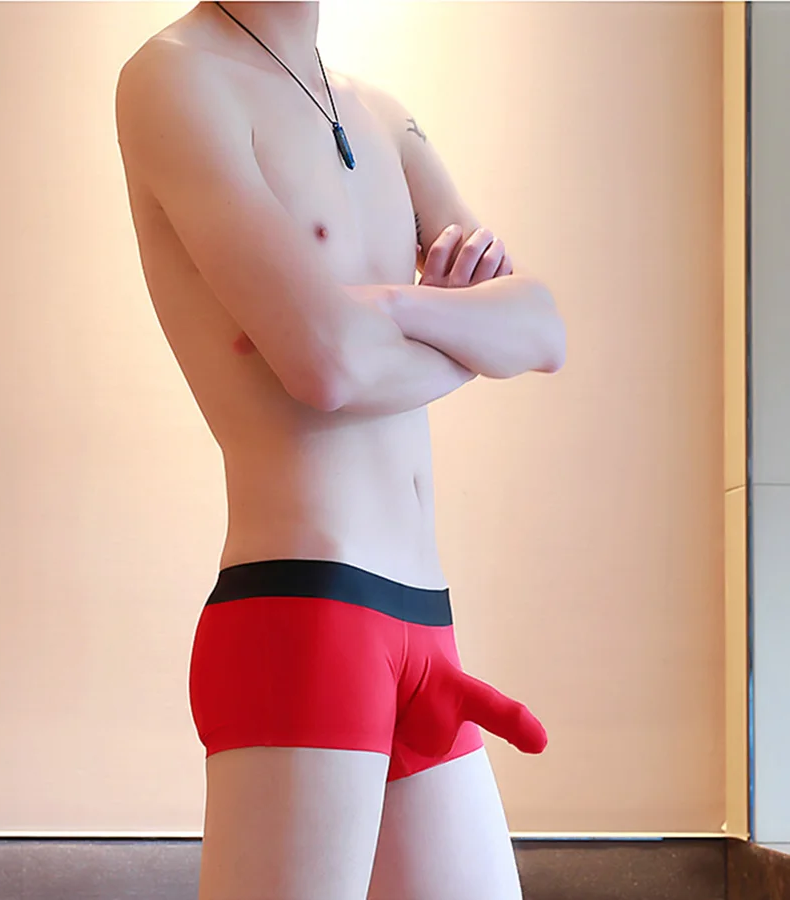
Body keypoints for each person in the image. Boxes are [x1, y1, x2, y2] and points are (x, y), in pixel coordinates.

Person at [114, 3, 565, 898]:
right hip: (304, 610)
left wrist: (388, 306)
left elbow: (540, 328)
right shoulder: (173, 77)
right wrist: (461, 332)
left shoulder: (381, 114)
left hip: (426, 621)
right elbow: (324, 366)